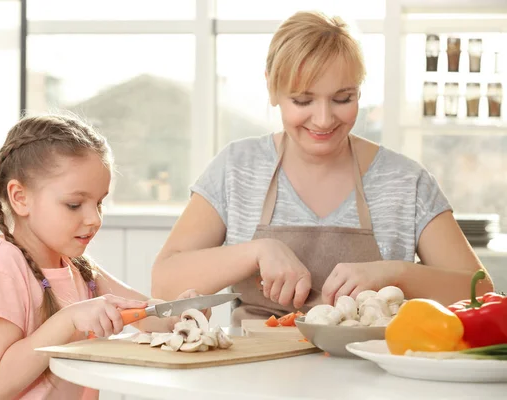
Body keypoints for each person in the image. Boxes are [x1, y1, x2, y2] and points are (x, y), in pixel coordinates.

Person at [151, 11, 494, 326]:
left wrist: (395, 274)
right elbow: (164, 282)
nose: (324, 119)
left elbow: (480, 293)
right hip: (254, 380)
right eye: (303, 100)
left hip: (372, 382)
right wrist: (257, 251)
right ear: (272, 87)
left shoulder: (405, 181)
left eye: (343, 98)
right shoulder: (236, 169)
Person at [0, 113, 209, 399]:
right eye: (74, 204)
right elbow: (0, 382)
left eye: (99, 202)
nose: (94, 218)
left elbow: (142, 313)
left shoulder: (80, 269)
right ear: (20, 197)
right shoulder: (2, 267)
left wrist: (180, 314)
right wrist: (68, 320)